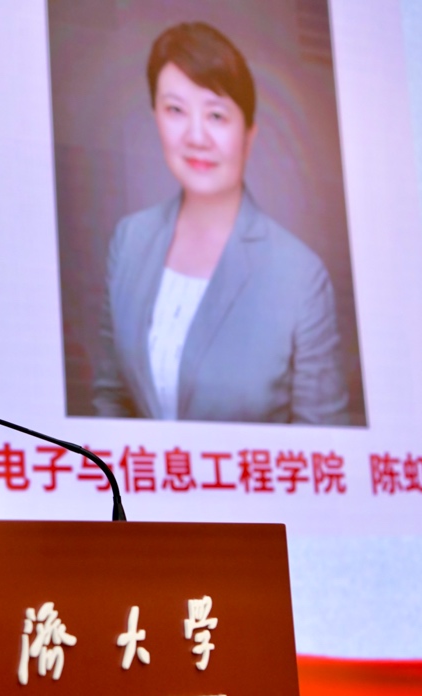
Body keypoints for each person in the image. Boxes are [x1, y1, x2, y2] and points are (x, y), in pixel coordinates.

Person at [92, 22, 348, 424]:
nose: (196, 136)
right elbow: (111, 398)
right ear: (155, 117)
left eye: (216, 115)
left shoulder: (300, 276)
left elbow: (324, 441)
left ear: (248, 134)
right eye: (175, 110)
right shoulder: (129, 241)